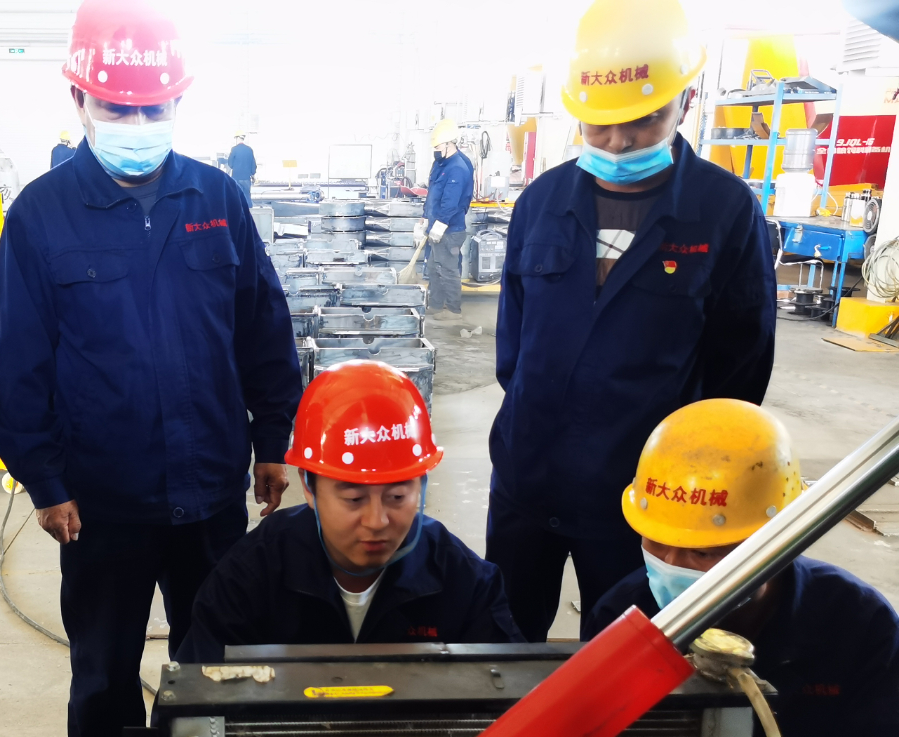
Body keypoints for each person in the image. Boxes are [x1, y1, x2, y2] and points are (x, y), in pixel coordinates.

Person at [0, 0, 303, 737]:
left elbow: (262, 327)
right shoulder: (42, 216)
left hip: (209, 484)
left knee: (217, 656)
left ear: (178, 102)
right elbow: (19, 363)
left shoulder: (216, 197)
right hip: (103, 500)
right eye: (116, 107)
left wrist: (273, 439)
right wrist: (45, 480)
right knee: (103, 662)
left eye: (152, 108)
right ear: (79, 99)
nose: (135, 123)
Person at [487, 0, 776, 643]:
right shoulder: (540, 203)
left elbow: (739, 369)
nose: (618, 143)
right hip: (527, 481)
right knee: (501, 647)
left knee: (626, 658)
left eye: (644, 121)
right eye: (599, 125)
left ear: (685, 102)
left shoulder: (725, 211)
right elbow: (514, 348)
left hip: (643, 504)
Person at [584, 399, 899, 737]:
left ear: (779, 542)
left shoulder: (857, 628)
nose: (672, 566)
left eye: (704, 552)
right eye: (656, 542)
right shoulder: (623, 618)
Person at [178, 362, 521, 662]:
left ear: (421, 485)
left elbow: (507, 692)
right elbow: (197, 693)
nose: (377, 521)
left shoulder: (464, 582)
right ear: (309, 486)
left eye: (397, 496)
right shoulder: (251, 576)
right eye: (354, 499)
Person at [416, 117, 473, 324]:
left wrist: (440, 225)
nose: (436, 150)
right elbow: (433, 194)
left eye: (438, 146)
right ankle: (436, 305)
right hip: (436, 225)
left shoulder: (458, 167)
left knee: (448, 269)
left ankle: (454, 310)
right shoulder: (439, 164)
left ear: (449, 144)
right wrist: (424, 218)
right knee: (433, 267)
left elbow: (451, 201)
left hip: (450, 229)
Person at [226, 131, 256, 207]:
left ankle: (238, 212)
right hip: (246, 177)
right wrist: (252, 174)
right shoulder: (249, 149)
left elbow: (230, 163)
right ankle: (249, 211)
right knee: (247, 196)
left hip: (236, 177)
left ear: (237, 138)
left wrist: (234, 167)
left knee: (237, 196)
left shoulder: (234, 149)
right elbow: (253, 164)